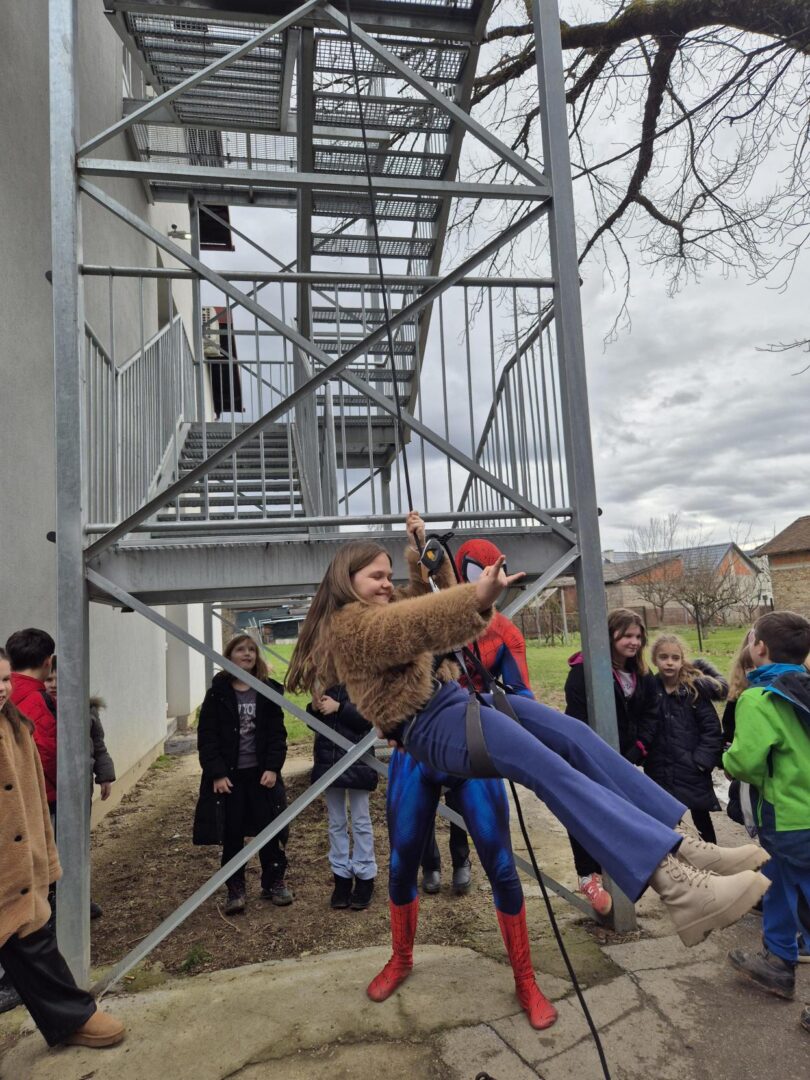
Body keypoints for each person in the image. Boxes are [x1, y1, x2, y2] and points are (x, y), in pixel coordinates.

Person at [286, 513, 770, 956]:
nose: (384, 583)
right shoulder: (349, 627)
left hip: (458, 701)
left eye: (386, 575)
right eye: (375, 576)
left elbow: (420, 607)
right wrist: (476, 596)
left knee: (574, 736)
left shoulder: (380, 611)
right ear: (346, 580)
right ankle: (679, 888)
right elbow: (417, 624)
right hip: (430, 724)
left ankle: (679, 841)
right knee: (549, 768)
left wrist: (422, 557)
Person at [377, 749, 557, 1029]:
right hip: (414, 752)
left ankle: (525, 980)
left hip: (469, 748)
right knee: (400, 867)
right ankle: (401, 959)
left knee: (503, 869)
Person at [0, 648, 124, 1048]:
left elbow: (34, 796)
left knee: (32, 937)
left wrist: (45, 859)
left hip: (15, 866)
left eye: (5, 679)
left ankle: (72, 1017)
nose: (2, 688)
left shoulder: (16, 725)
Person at [421, 537, 535, 897]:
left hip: (473, 728)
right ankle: (430, 865)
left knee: (475, 810)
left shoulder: (505, 632)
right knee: (418, 805)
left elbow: (521, 693)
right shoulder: (434, 618)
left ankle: (461, 860)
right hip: (425, 724)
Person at [724, 611, 810, 1024]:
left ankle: (781, 959)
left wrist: (727, 759)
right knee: (775, 882)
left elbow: (745, 762)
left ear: (759, 648)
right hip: (798, 818)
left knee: (805, 900)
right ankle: (778, 961)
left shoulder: (759, 699)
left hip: (791, 820)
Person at [563, 609, 659, 916]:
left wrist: (637, 750)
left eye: (638, 636)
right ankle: (587, 875)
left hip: (628, 759)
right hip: (590, 757)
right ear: (609, 636)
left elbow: (651, 714)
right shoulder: (583, 672)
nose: (634, 642)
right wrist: (598, 756)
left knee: (620, 815)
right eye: (627, 635)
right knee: (584, 811)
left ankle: (618, 872)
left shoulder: (643, 675)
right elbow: (578, 718)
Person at [193, 634, 292, 914]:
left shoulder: (267, 691)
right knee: (232, 832)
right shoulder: (218, 693)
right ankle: (235, 887)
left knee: (270, 830)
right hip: (230, 778)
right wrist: (216, 773)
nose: (247, 654)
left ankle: (274, 882)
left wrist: (272, 767)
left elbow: (277, 734)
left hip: (261, 776)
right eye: (240, 649)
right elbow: (207, 736)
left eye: (251, 650)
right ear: (229, 656)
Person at [43, 655, 115, 920]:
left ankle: (79, 896)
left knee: (77, 844)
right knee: (52, 844)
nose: (53, 684)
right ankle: (51, 898)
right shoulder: (41, 708)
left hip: (79, 789)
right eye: (48, 679)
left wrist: (104, 776)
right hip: (51, 789)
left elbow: (98, 746)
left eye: (59, 679)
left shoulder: (86, 710)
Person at [646, 634, 725, 844]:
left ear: (682, 661)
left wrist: (701, 761)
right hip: (660, 768)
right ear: (654, 660)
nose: (669, 662)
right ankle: (676, 856)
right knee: (669, 820)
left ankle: (711, 853)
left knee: (701, 817)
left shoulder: (693, 691)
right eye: (663, 657)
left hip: (691, 768)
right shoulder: (650, 690)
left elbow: (711, 730)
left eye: (675, 657)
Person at [308, 685, 377, 911]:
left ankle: (365, 876)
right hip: (328, 761)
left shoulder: (361, 680)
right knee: (336, 822)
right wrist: (314, 708)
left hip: (358, 762)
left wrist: (339, 707)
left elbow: (368, 719)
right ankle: (341, 877)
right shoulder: (323, 682)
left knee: (361, 821)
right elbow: (313, 724)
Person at [6, 628, 58, 812]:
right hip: (40, 796)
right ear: (48, 662)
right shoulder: (39, 700)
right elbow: (48, 752)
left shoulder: (7, 691)